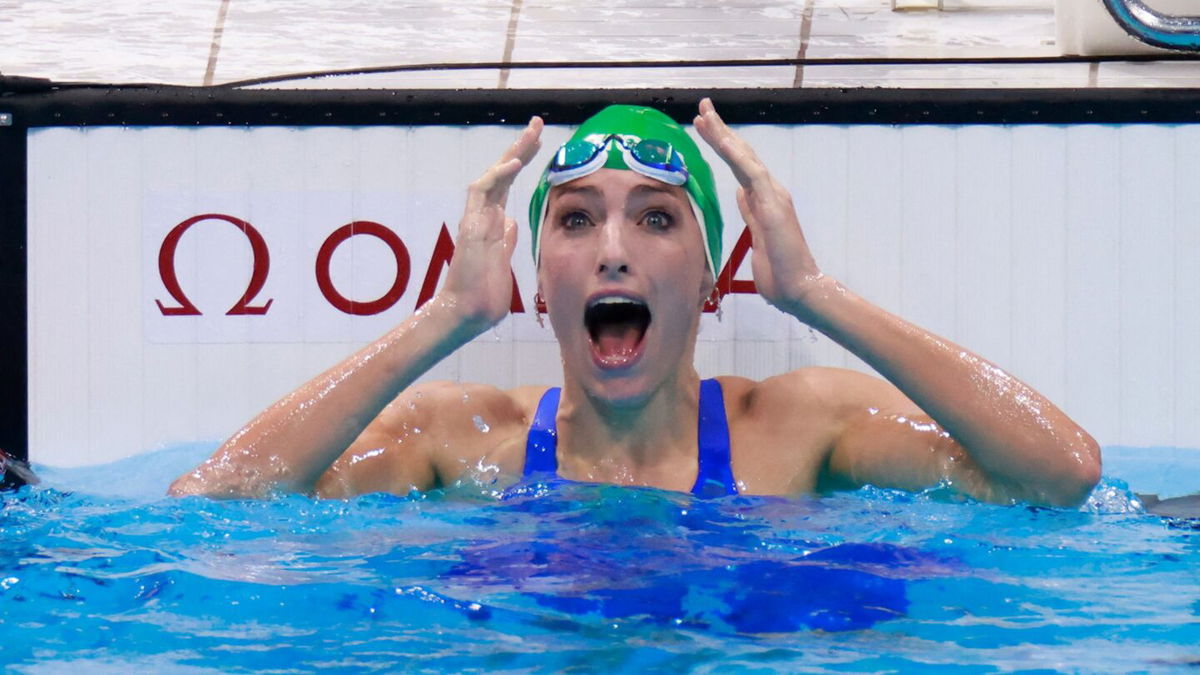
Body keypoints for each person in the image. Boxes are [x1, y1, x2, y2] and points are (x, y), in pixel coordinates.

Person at [169, 99, 1101, 507]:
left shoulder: (799, 427)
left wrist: (815, 295)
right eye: (575, 221)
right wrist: (445, 319)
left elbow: (1061, 474)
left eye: (655, 218)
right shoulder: (467, 443)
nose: (612, 251)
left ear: (708, 276)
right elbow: (216, 501)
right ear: (539, 281)